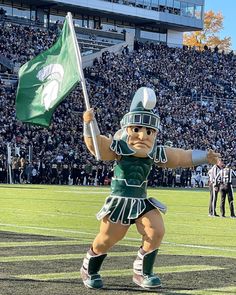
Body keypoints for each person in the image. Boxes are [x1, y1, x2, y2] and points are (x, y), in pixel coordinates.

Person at [80, 87, 220, 290]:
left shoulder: (155, 152)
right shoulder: (119, 148)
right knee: (108, 238)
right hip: (121, 201)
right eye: (137, 129)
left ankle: (142, 271)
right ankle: (89, 267)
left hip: (141, 200)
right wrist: (88, 123)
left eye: (149, 131)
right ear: (127, 129)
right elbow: (97, 146)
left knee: (156, 230)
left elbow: (181, 157)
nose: (142, 135)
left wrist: (205, 156)